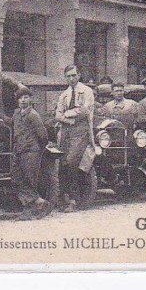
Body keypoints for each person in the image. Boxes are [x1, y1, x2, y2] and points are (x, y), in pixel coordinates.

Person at [54, 64, 96, 212]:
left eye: (73, 75)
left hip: (81, 131)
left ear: (79, 75)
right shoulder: (64, 95)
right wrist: (67, 119)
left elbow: (85, 110)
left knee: (72, 161)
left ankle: (74, 199)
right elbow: (57, 115)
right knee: (62, 162)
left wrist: (67, 114)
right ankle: (63, 197)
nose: (71, 79)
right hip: (66, 131)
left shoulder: (87, 91)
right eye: (68, 76)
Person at [11, 86, 54, 220]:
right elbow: (10, 122)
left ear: (30, 99)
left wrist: (37, 150)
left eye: (26, 97)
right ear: (17, 100)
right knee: (17, 179)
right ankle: (40, 202)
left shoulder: (33, 115)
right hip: (19, 150)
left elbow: (43, 135)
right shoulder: (17, 113)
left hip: (30, 152)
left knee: (29, 180)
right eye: (20, 98)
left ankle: (28, 210)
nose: (23, 100)